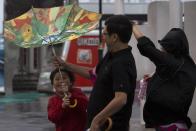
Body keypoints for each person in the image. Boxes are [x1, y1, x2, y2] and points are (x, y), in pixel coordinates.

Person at [54, 15, 137, 131]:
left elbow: (121, 99)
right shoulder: (110, 55)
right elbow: (93, 75)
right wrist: (66, 65)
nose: (103, 36)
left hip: (110, 126)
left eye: (105, 34)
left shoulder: (122, 62)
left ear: (114, 37)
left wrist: (97, 119)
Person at [133, 25, 196, 131]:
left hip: (170, 125)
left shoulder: (172, 63)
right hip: (175, 123)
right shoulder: (185, 63)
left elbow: (148, 49)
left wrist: (133, 27)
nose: (162, 51)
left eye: (164, 48)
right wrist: (154, 77)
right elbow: (173, 82)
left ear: (172, 49)